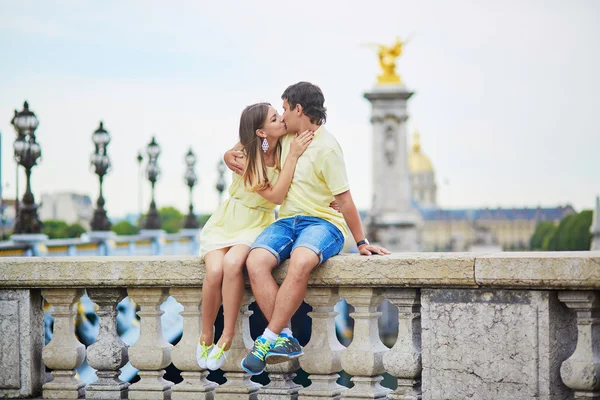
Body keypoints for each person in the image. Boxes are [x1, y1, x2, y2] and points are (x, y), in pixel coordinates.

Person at [224, 82, 390, 375]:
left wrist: (361, 241)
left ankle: (268, 339)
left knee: (301, 260)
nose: (282, 115)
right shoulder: (287, 135)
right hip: (288, 221)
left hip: (324, 223)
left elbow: (345, 199)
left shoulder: (327, 148)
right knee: (255, 260)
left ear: (298, 109)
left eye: (285, 108)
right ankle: (284, 336)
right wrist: (229, 154)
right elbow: (252, 135)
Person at [196, 102, 314, 371]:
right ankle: (205, 335)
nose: (281, 120)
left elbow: (275, 199)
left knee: (232, 264)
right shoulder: (248, 154)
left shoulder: (283, 140)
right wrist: (228, 153)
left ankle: (226, 337)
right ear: (261, 132)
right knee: (214, 271)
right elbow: (276, 195)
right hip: (228, 219)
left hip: (255, 223)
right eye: (275, 118)